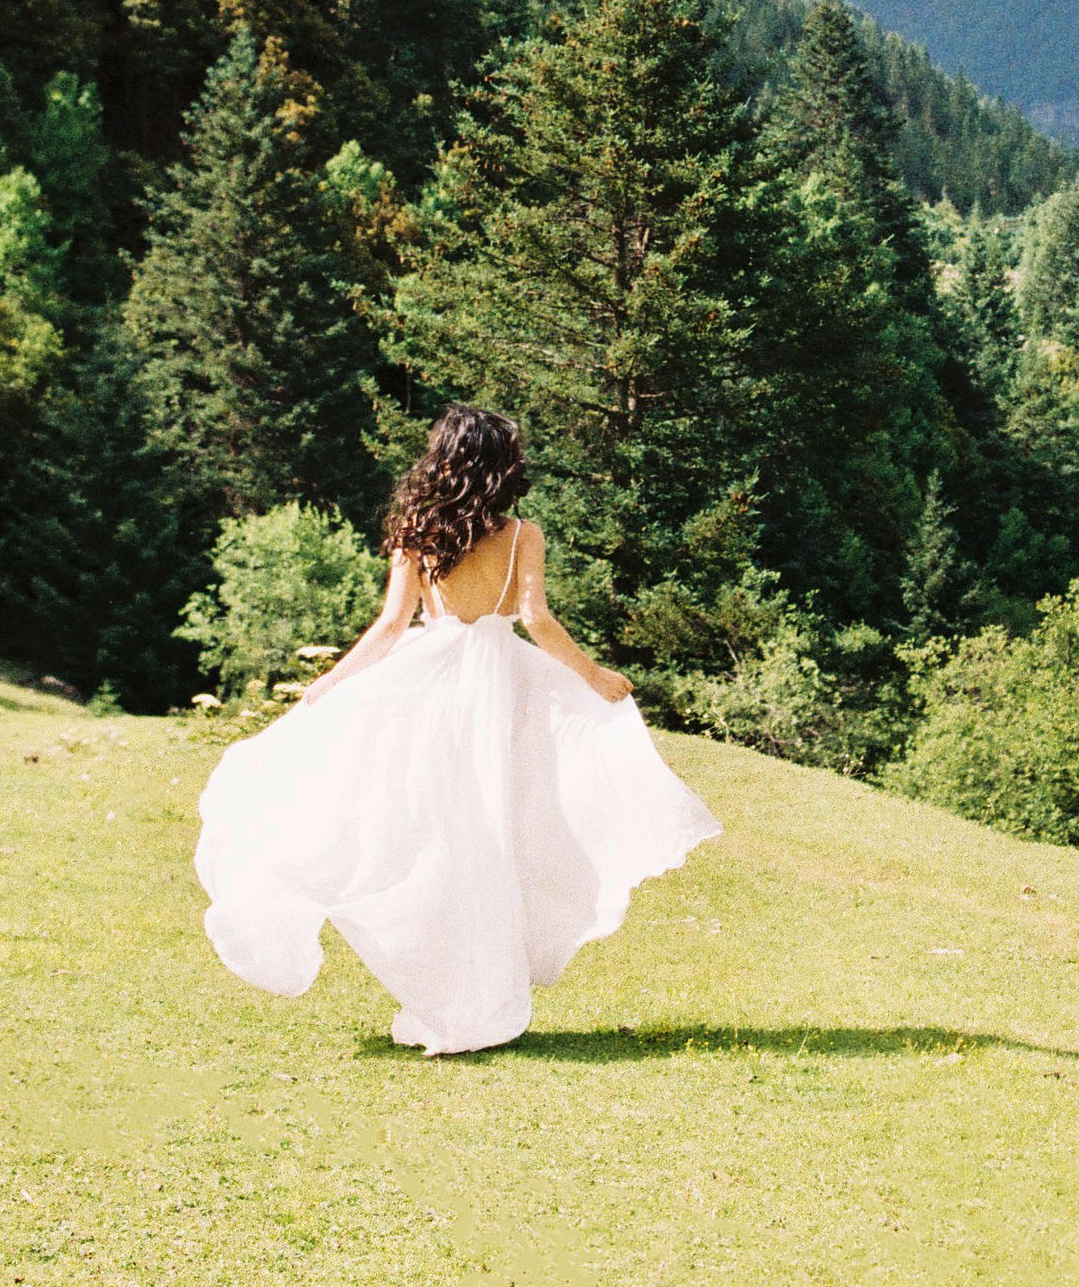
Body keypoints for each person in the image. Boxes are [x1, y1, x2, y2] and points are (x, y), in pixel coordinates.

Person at [192, 405, 721, 1054]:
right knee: (497, 833)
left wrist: (329, 683)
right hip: (497, 687)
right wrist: (594, 675)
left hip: (434, 683)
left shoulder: (419, 530)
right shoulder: (523, 533)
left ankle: (455, 992)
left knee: (435, 833)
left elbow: (390, 626)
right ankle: (478, 995)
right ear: (502, 465)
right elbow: (537, 619)